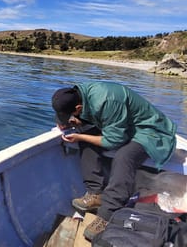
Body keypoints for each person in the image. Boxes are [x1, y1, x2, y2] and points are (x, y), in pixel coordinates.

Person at [51, 81, 177, 241]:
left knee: (124, 157)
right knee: (86, 138)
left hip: (150, 131)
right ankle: (96, 193)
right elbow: (98, 118)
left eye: (71, 114)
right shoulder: (78, 94)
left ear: (78, 108)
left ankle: (107, 214)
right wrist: (67, 122)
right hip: (124, 125)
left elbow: (113, 141)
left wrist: (80, 136)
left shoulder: (106, 100)